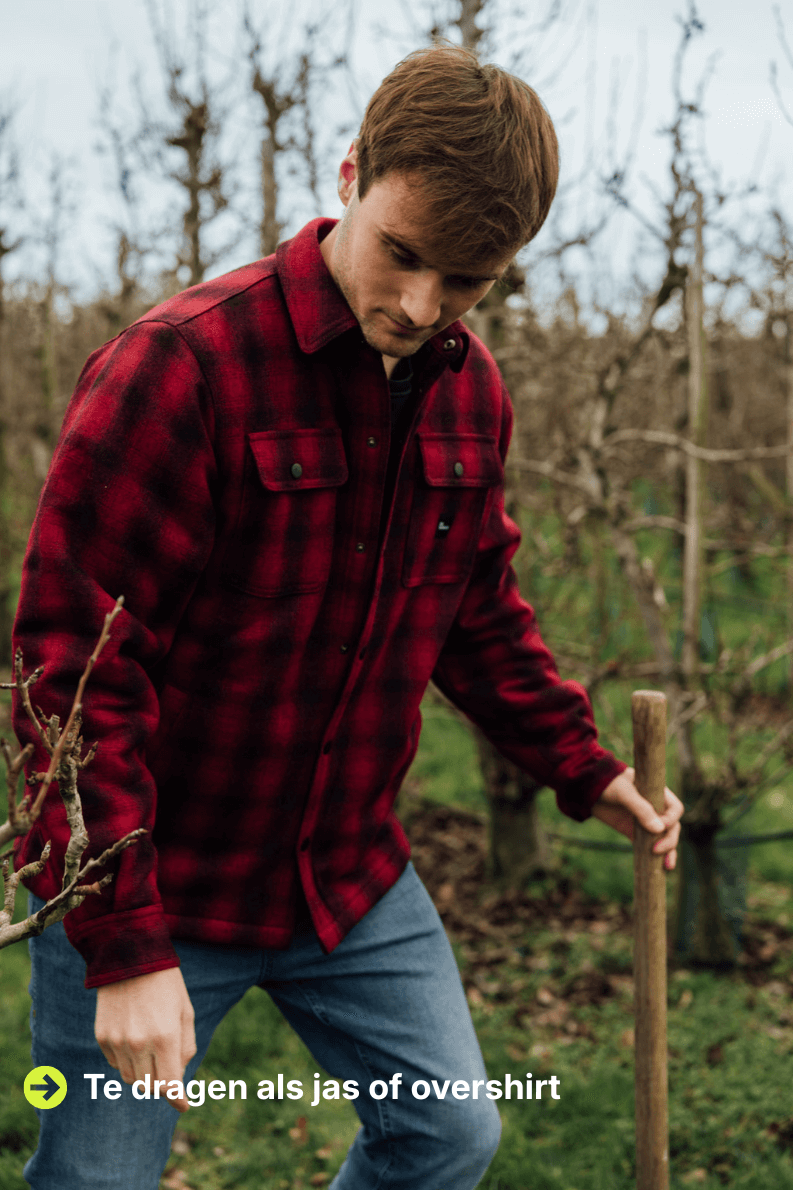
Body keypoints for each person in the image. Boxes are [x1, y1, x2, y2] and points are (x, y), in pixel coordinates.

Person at [13, 43, 682, 1190]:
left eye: (466, 280)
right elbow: (73, 678)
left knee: (447, 1136)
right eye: (403, 253)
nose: (420, 306)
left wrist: (585, 767)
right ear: (350, 175)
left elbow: (475, 611)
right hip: (156, 875)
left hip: (343, 876)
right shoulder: (179, 368)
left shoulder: (471, 392)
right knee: (97, 1178)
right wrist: (120, 943)